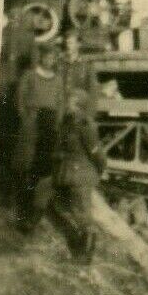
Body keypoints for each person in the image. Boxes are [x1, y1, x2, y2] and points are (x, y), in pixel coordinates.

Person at [40, 89, 105, 262]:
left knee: (83, 216)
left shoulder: (86, 125)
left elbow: (97, 154)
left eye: (71, 101)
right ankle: (76, 245)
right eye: (68, 100)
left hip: (80, 176)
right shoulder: (66, 123)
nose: (67, 104)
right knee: (54, 207)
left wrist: (98, 170)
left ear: (79, 105)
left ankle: (84, 257)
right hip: (65, 175)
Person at [13, 41, 65, 227]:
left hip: (49, 123)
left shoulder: (58, 79)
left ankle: (35, 212)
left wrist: (56, 123)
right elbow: (20, 98)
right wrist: (26, 117)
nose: (50, 60)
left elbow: (60, 103)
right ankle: (22, 208)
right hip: (32, 120)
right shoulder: (30, 75)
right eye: (47, 56)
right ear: (41, 57)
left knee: (43, 167)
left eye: (53, 57)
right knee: (26, 164)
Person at [60, 30, 99, 105]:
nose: (67, 46)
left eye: (70, 43)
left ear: (78, 44)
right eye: (66, 43)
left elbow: (92, 89)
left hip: (79, 105)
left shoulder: (86, 65)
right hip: (62, 103)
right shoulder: (60, 63)